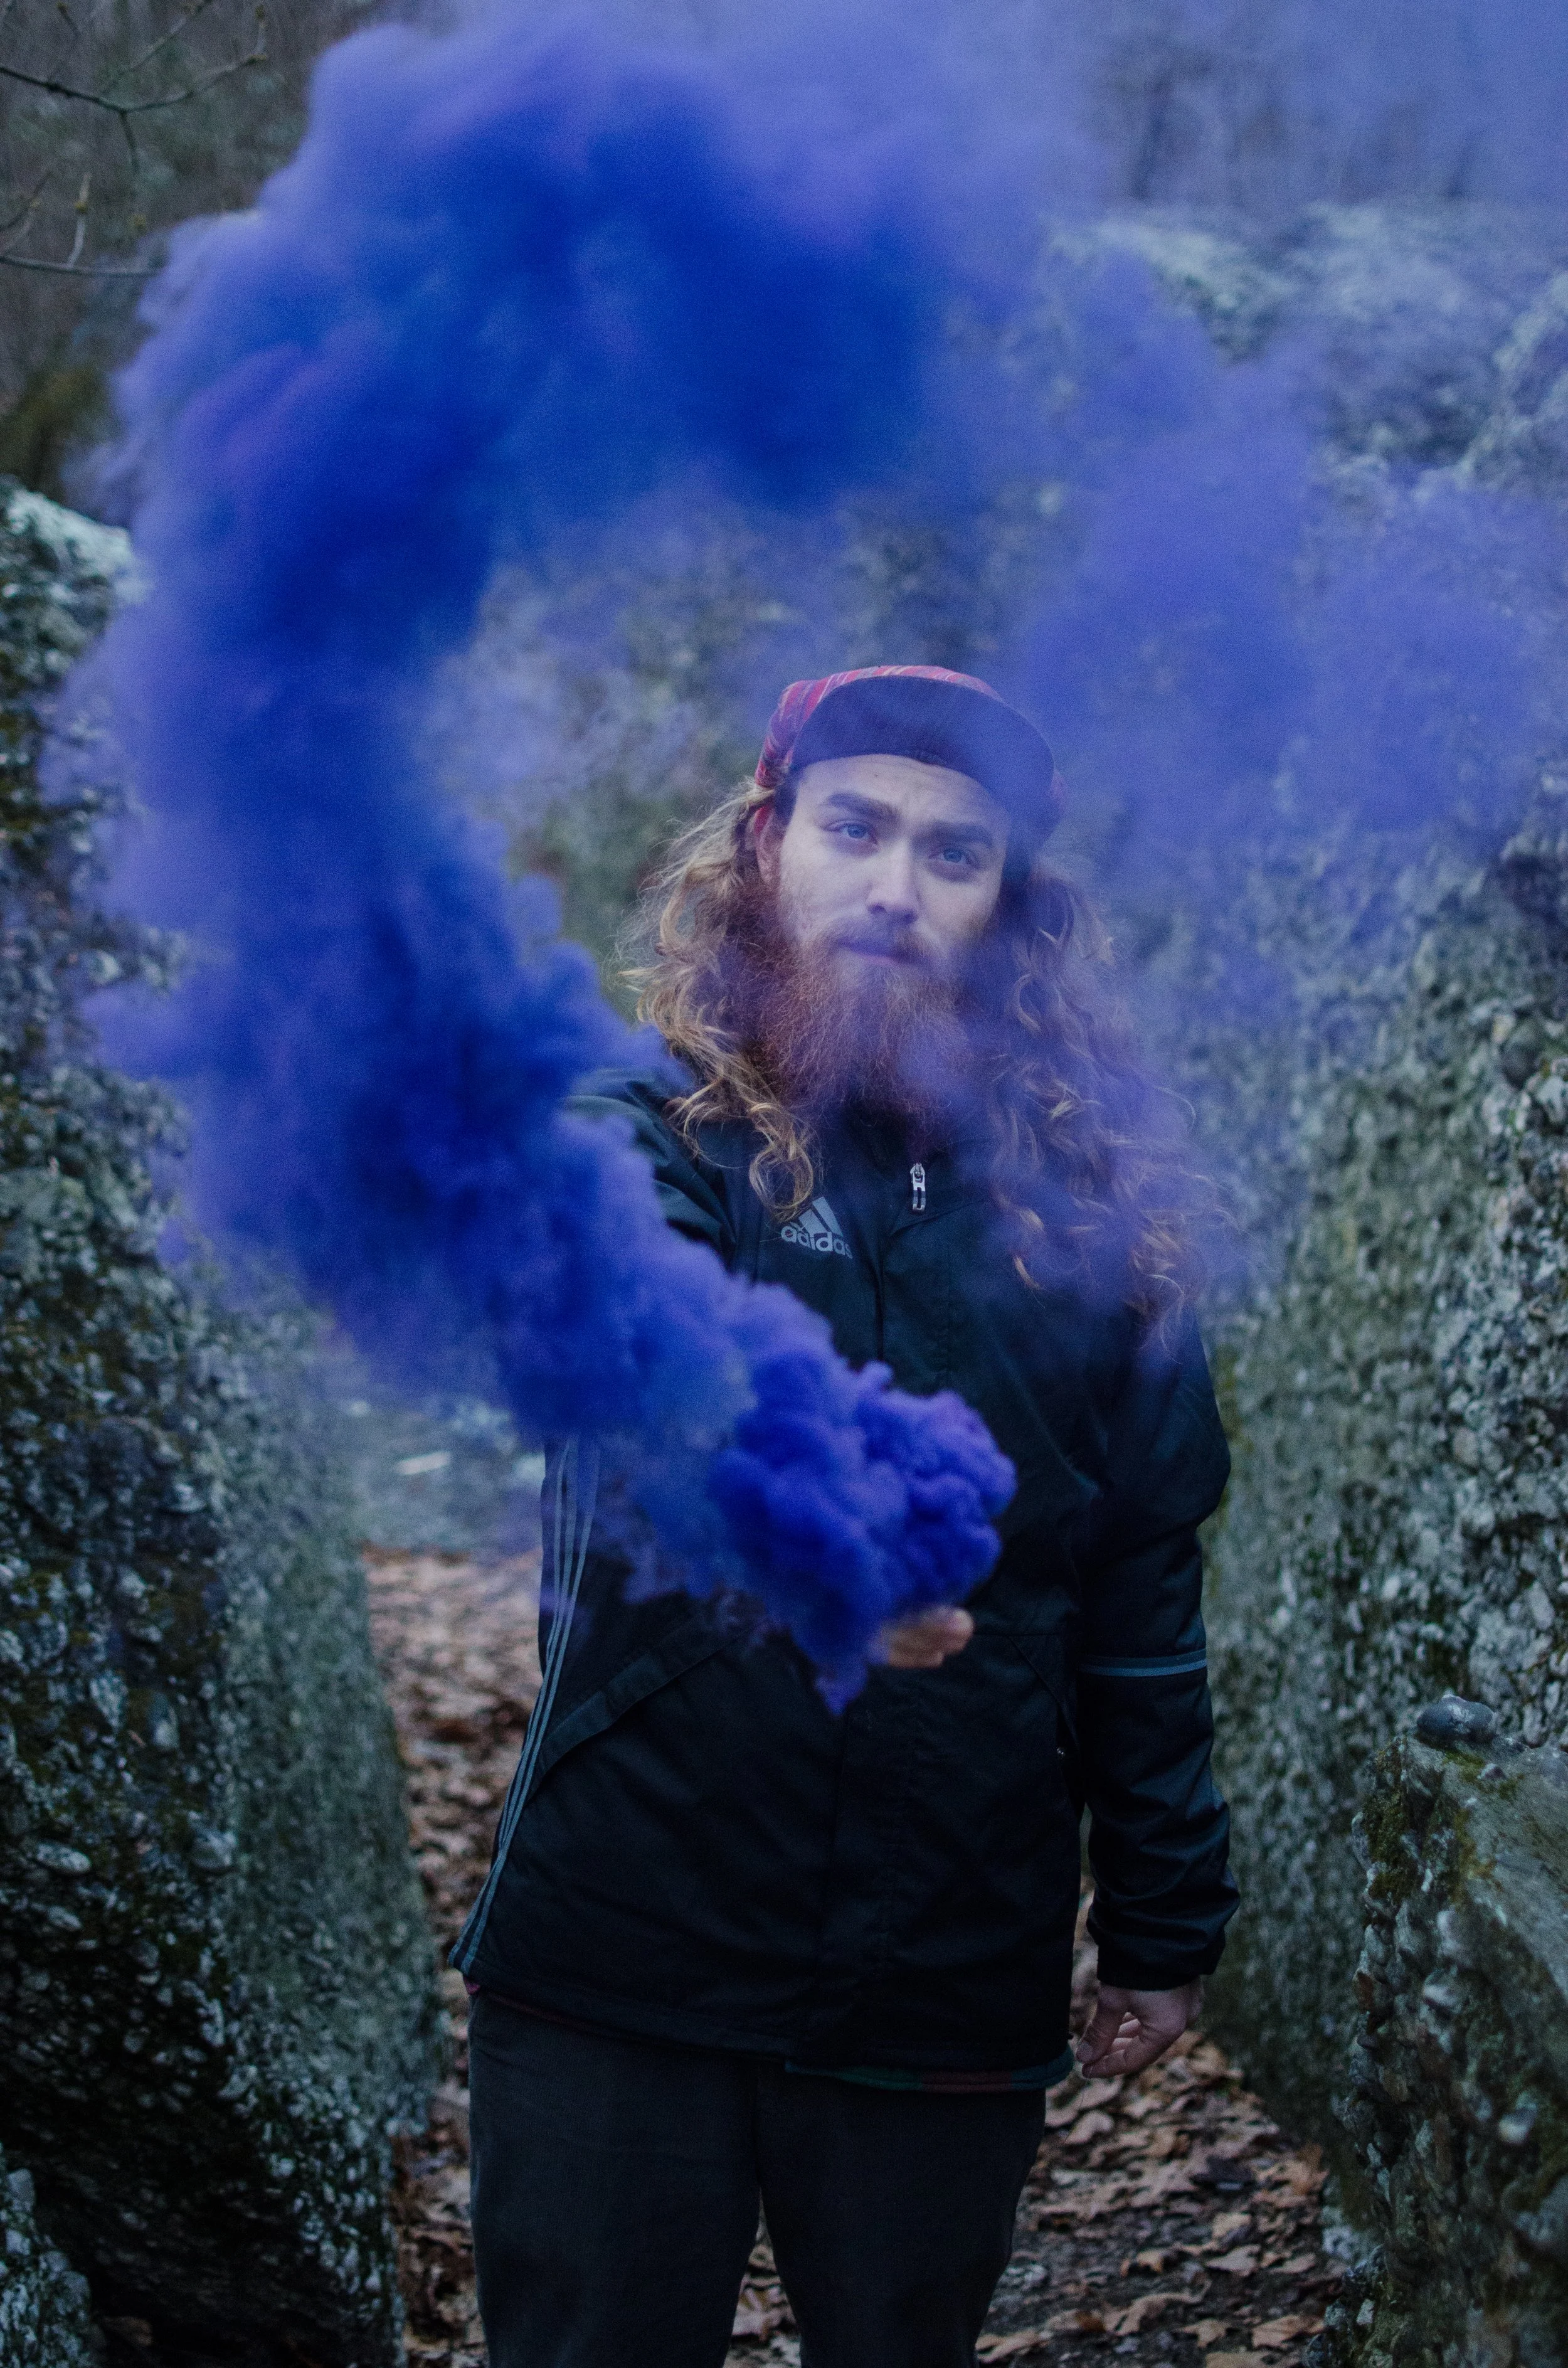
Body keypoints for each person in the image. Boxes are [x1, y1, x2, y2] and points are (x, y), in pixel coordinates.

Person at [457, 665, 1237, 2368]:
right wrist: (797, 1535)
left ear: (1006, 909)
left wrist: (1165, 1921)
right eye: (855, 827)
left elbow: (1135, 1603)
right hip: (626, 1947)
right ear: (766, 845)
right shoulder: (642, 1134)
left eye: (954, 853)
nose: (895, 884)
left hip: (943, 1966)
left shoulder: (1094, 1237)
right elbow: (618, 1345)